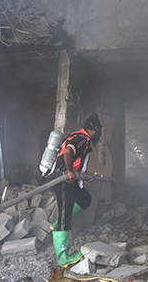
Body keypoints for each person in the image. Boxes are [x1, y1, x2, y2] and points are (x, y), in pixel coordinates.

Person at [49, 114, 102, 267]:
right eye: (99, 131)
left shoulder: (81, 138)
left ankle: (58, 223)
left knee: (85, 199)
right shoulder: (81, 139)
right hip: (63, 181)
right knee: (65, 217)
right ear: (96, 129)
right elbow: (68, 152)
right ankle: (63, 258)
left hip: (70, 180)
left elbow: (78, 162)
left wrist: (84, 176)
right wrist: (70, 171)